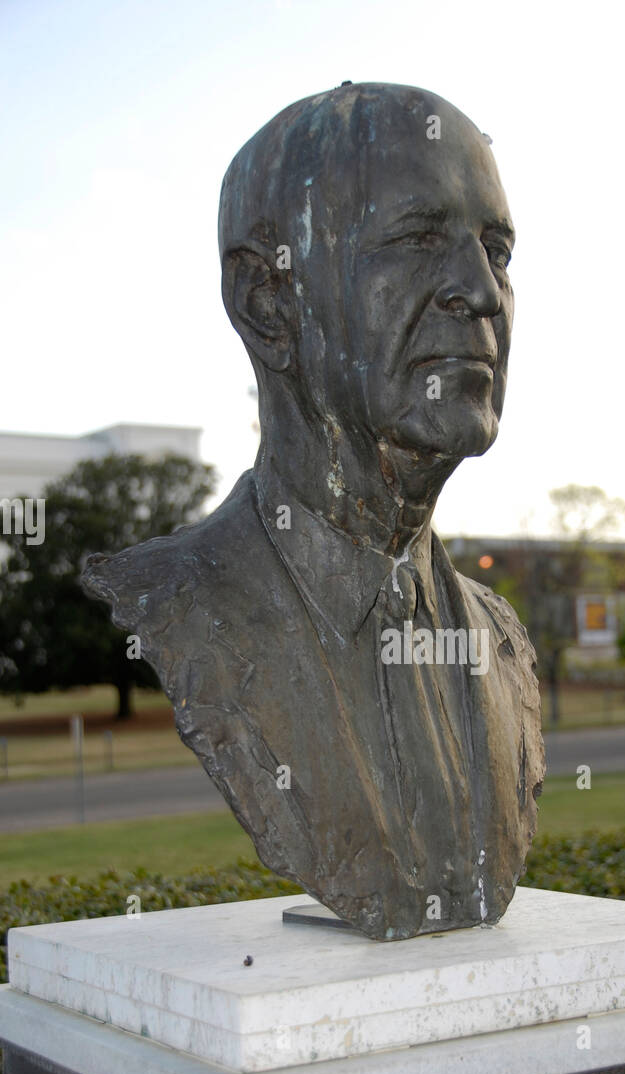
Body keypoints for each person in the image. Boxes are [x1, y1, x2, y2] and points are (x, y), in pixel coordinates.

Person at [83, 83, 545, 940]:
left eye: (499, 251)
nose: (481, 293)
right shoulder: (180, 602)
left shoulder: (501, 645)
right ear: (268, 303)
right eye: (416, 239)